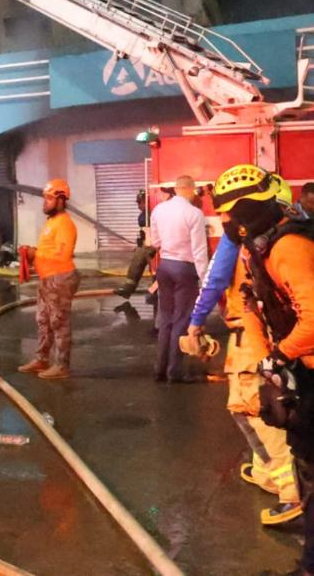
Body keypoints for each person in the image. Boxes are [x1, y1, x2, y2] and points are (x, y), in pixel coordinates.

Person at [212, 164, 314, 576]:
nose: (237, 223)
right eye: (231, 215)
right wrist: (265, 360)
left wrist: (280, 356)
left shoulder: (288, 247)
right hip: (300, 369)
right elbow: (249, 303)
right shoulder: (257, 249)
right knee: (305, 464)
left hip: (305, 364)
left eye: (244, 212)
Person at [186, 174, 300, 526]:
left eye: (227, 212)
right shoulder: (278, 238)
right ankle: (272, 474)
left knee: (260, 413)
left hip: (256, 340)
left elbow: (217, 276)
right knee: (249, 409)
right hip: (256, 336)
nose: (224, 222)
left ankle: (292, 493)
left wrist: (196, 321)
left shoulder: (268, 243)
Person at [18, 179, 80, 380]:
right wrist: (34, 254)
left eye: (49, 199)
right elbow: (48, 250)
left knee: (58, 322)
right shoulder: (51, 222)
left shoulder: (65, 224)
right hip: (48, 279)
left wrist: (34, 254)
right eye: (44, 198)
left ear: (61, 200)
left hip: (60, 279)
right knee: (43, 320)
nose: (44, 203)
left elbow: (62, 255)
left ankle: (62, 366)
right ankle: (42, 359)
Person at [149, 175, 208, 383]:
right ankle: (174, 371)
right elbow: (199, 251)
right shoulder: (195, 214)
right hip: (185, 268)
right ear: (191, 189)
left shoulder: (158, 210)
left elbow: (155, 241)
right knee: (181, 320)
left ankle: (159, 368)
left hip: (164, 267)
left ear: (176, 188)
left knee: (166, 319)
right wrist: (205, 279)